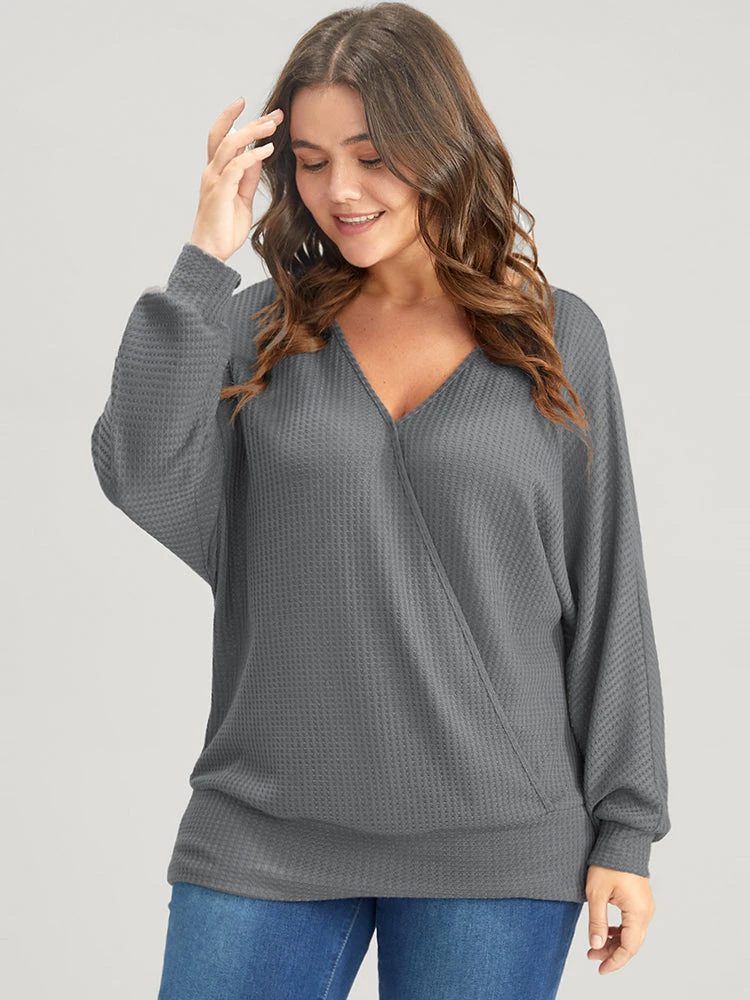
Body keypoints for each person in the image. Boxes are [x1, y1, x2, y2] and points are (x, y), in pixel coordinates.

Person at [90, 4, 671, 998]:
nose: (341, 192)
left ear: (440, 146)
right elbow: (139, 469)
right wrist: (203, 258)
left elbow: (609, 585)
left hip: (496, 842)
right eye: (311, 162)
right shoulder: (255, 330)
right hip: (264, 824)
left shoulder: (554, 337)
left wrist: (627, 827)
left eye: (372, 156)